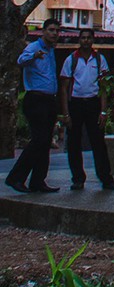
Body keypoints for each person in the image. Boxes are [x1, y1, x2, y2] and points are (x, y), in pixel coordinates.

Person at [5, 18, 64, 193]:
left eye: (57, 31)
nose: (54, 34)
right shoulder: (34, 47)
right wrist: (34, 56)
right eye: (51, 30)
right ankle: (15, 178)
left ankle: (38, 181)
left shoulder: (51, 50)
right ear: (44, 31)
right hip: (35, 99)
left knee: (45, 142)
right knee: (38, 140)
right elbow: (21, 61)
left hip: (49, 100)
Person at [58, 28, 114, 190]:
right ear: (79, 40)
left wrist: (103, 111)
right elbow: (64, 88)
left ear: (93, 40)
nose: (86, 40)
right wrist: (65, 113)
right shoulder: (71, 60)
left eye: (89, 38)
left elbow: (104, 87)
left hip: (93, 103)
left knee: (98, 142)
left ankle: (106, 178)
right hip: (76, 104)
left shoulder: (99, 59)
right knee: (74, 143)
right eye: (83, 38)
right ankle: (78, 178)